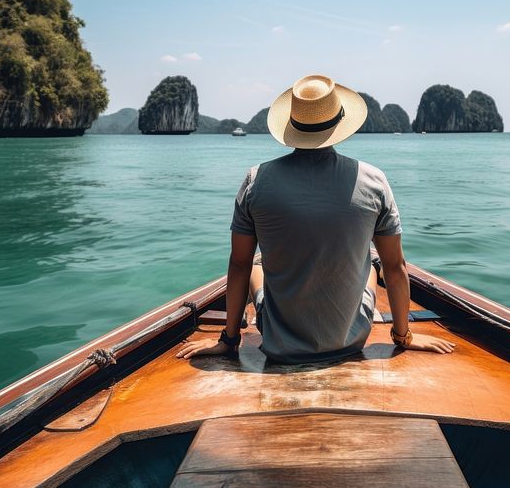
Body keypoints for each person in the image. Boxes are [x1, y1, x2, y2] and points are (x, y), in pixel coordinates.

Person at [177, 74, 455, 363]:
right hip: (351, 339)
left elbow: (238, 265)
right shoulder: (374, 180)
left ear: (291, 125)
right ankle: (371, 266)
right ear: (339, 123)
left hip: (279, 343)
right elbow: (396, 267)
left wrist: (228, 340)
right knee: (374, 265)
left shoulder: (256, 180)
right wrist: (404, 336)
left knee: (255, 265)